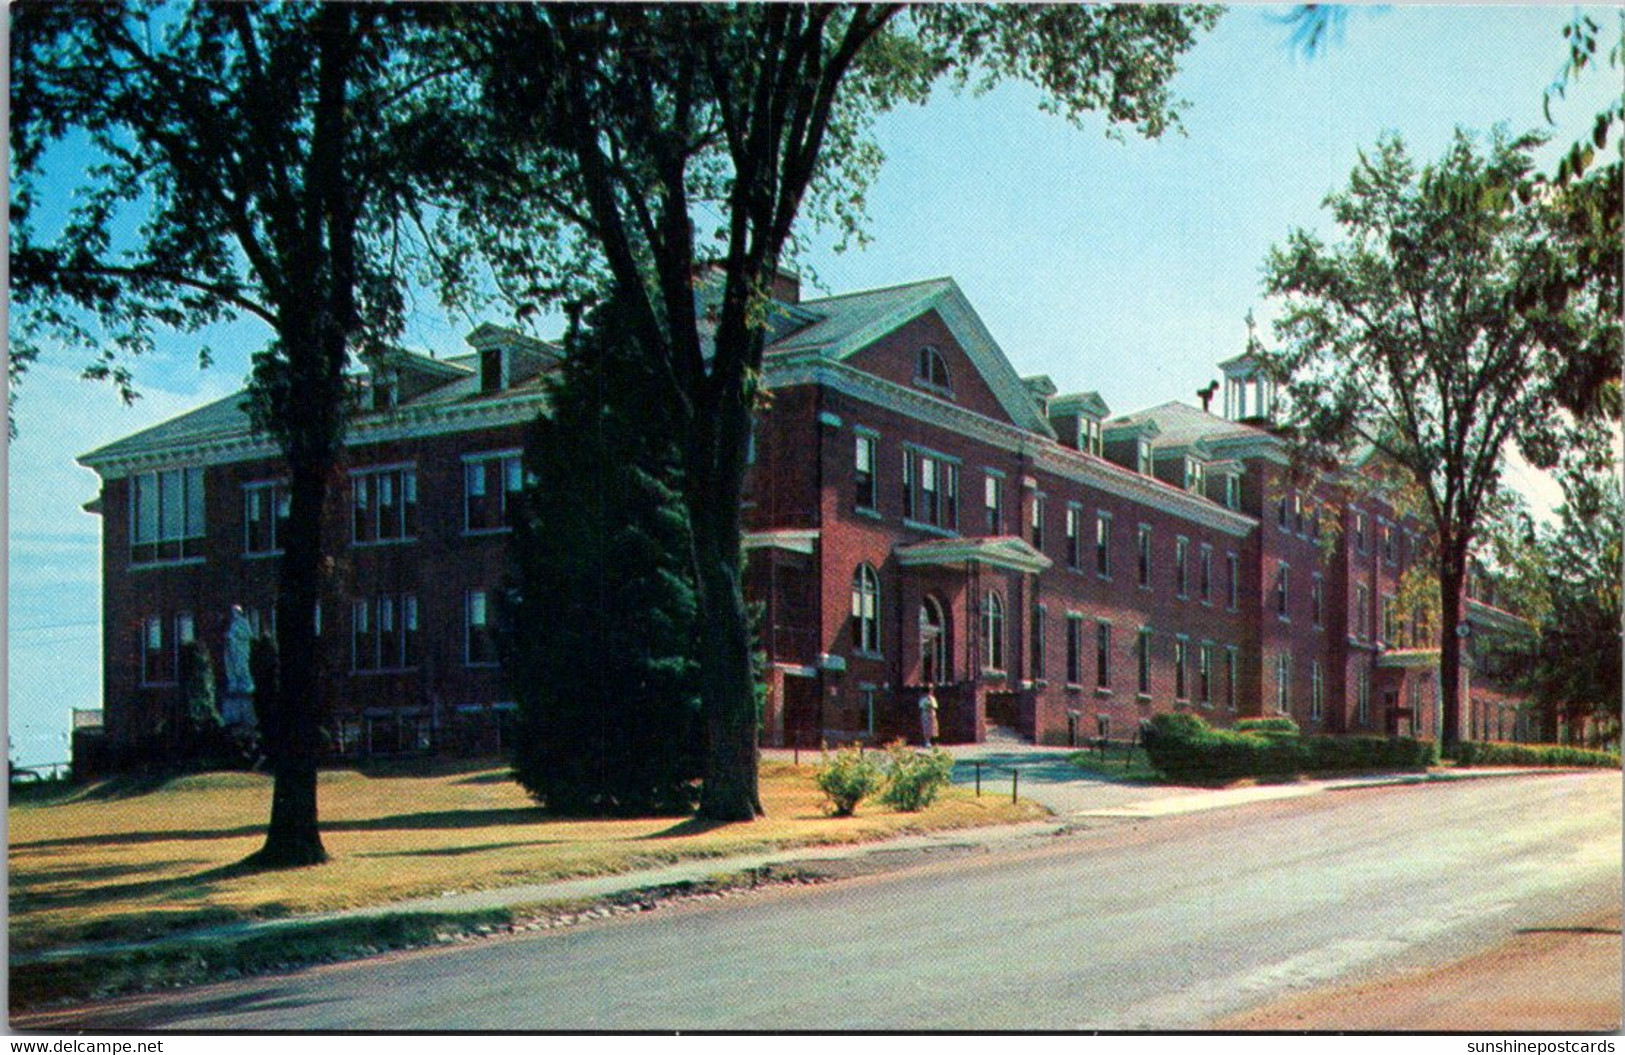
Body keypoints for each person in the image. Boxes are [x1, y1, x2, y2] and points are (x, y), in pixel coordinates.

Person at [918, 683, 939, 748]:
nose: (932, 691)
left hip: (932, 714)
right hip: (925, 714)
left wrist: (931, 705)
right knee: (926, 727)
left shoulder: (932, 698)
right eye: (931, 689)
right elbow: (921, 706)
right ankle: (927, 741)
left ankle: (934, 741)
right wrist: (927, 706)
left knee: (933, 727)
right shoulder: (923, 698)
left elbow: (935, 706)